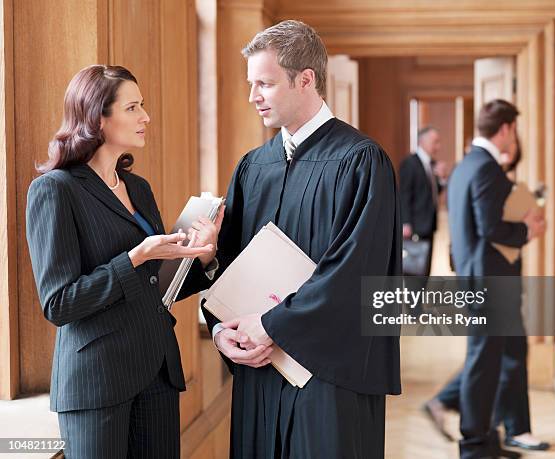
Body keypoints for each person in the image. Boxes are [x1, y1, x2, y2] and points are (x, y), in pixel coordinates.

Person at [201, 20, 401, 459]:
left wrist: (272, 325)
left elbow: (354, 275)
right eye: (251, 83)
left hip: (328, 375)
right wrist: (221, 330)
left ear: (305, 79)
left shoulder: (361, 162)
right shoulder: (254, 166)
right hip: (258, 368)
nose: (252, 96)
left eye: (265, 84)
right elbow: (230, 265)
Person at [26, 65, 223, 459]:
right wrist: (135, 257)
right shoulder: (54, 190)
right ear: (98, 118)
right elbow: (59, 303)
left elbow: (156, 286)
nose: (145, 117)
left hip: (157, 373)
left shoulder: (137, 187)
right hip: (96, 383)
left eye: (143, 105)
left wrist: (202, 256)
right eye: (132, 107)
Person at [425, 99, 546, 459]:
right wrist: (527, 230)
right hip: (489, 283)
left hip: (479, 278)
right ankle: (475, 446)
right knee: (483, 363)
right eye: (515, 130)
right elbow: (490, 227)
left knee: (498, 359)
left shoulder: (466, 167)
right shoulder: (486, 169)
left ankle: (491, 440)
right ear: (506, 129)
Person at [399, 126, 448, 275]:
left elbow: (430, 193)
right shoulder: (410, 163)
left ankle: (421, 296)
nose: (438, 147)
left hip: (428, 224)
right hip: (414, 226)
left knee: (425, 269)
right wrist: (405, 223)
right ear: (422, 141)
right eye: (435, 142)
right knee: (414, 271)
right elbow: (404, 194)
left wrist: (442, 179)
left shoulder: (431, 164)